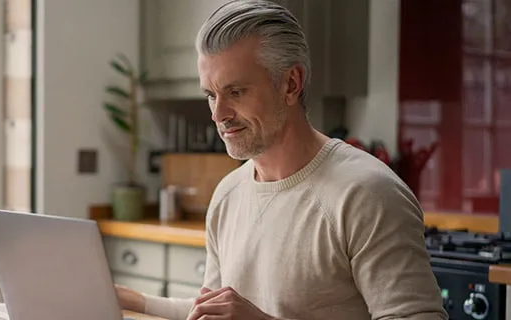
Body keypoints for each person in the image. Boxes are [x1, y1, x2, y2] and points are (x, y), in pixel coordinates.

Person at [115, 1, 448, 319]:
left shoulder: (367, 193)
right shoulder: (228, 195)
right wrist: (131, 300)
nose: (218, 114)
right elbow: (214, 311)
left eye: (236, 92)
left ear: (291, 84)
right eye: (210, 95)